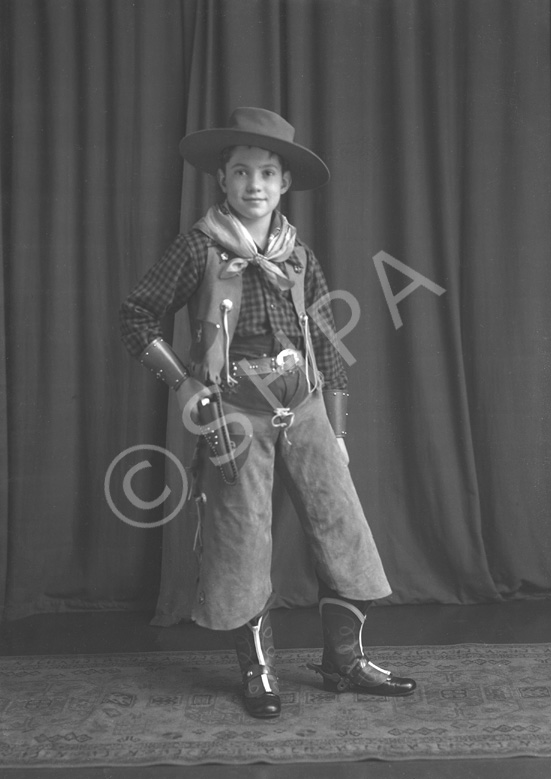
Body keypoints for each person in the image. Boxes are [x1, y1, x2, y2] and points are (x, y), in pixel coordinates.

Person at [120, 107, 416, 718]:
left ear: (284, 184)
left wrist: (335, 429)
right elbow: (137, 317)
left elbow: (328, 339)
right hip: (234, 413)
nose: (254, 185)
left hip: (304, 407)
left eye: (267, 173)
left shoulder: (298, 253)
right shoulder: (199, 247)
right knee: (242, 538)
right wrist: (182, 384)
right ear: (223, 181)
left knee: (343, 530)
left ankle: (345, 662)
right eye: (241, 172)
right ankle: (258, 672)